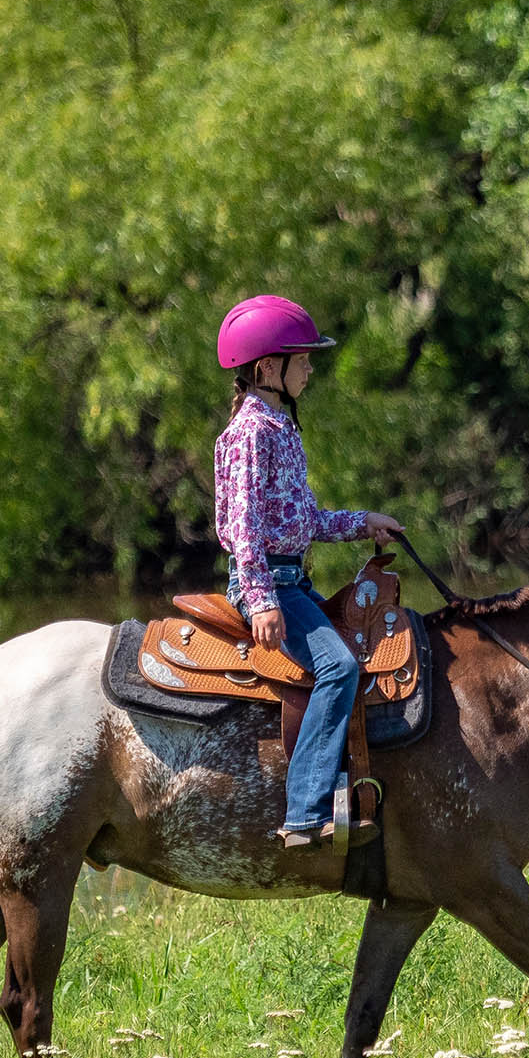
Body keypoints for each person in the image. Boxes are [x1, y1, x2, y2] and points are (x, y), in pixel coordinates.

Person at [213, 295, 402, 849]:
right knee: (338, 667)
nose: (312, 368)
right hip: (271, 583)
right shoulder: (252, 432)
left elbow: (304, 519)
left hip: (292, 577)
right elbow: (245, 526)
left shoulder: (278, 426)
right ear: (268, 368)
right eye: (304, 359)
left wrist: (364, 522)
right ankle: (304, 814)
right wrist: (262, 598)